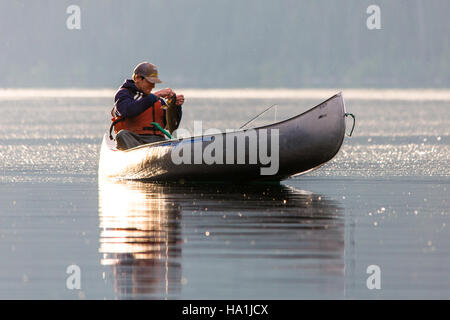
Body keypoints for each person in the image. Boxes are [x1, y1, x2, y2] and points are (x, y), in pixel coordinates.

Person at [110, 61, 185, 150]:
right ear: (137, 78)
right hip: (133, 140)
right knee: (122, 134)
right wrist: (156, 95)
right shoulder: (124, 94)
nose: (152, 86)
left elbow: (170, 126)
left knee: (171, 143)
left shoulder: (158, 101)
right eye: (150, 82)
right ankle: (139, 158)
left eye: (154, 83)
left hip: (157, 142)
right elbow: (128, 110)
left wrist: (176, 106)